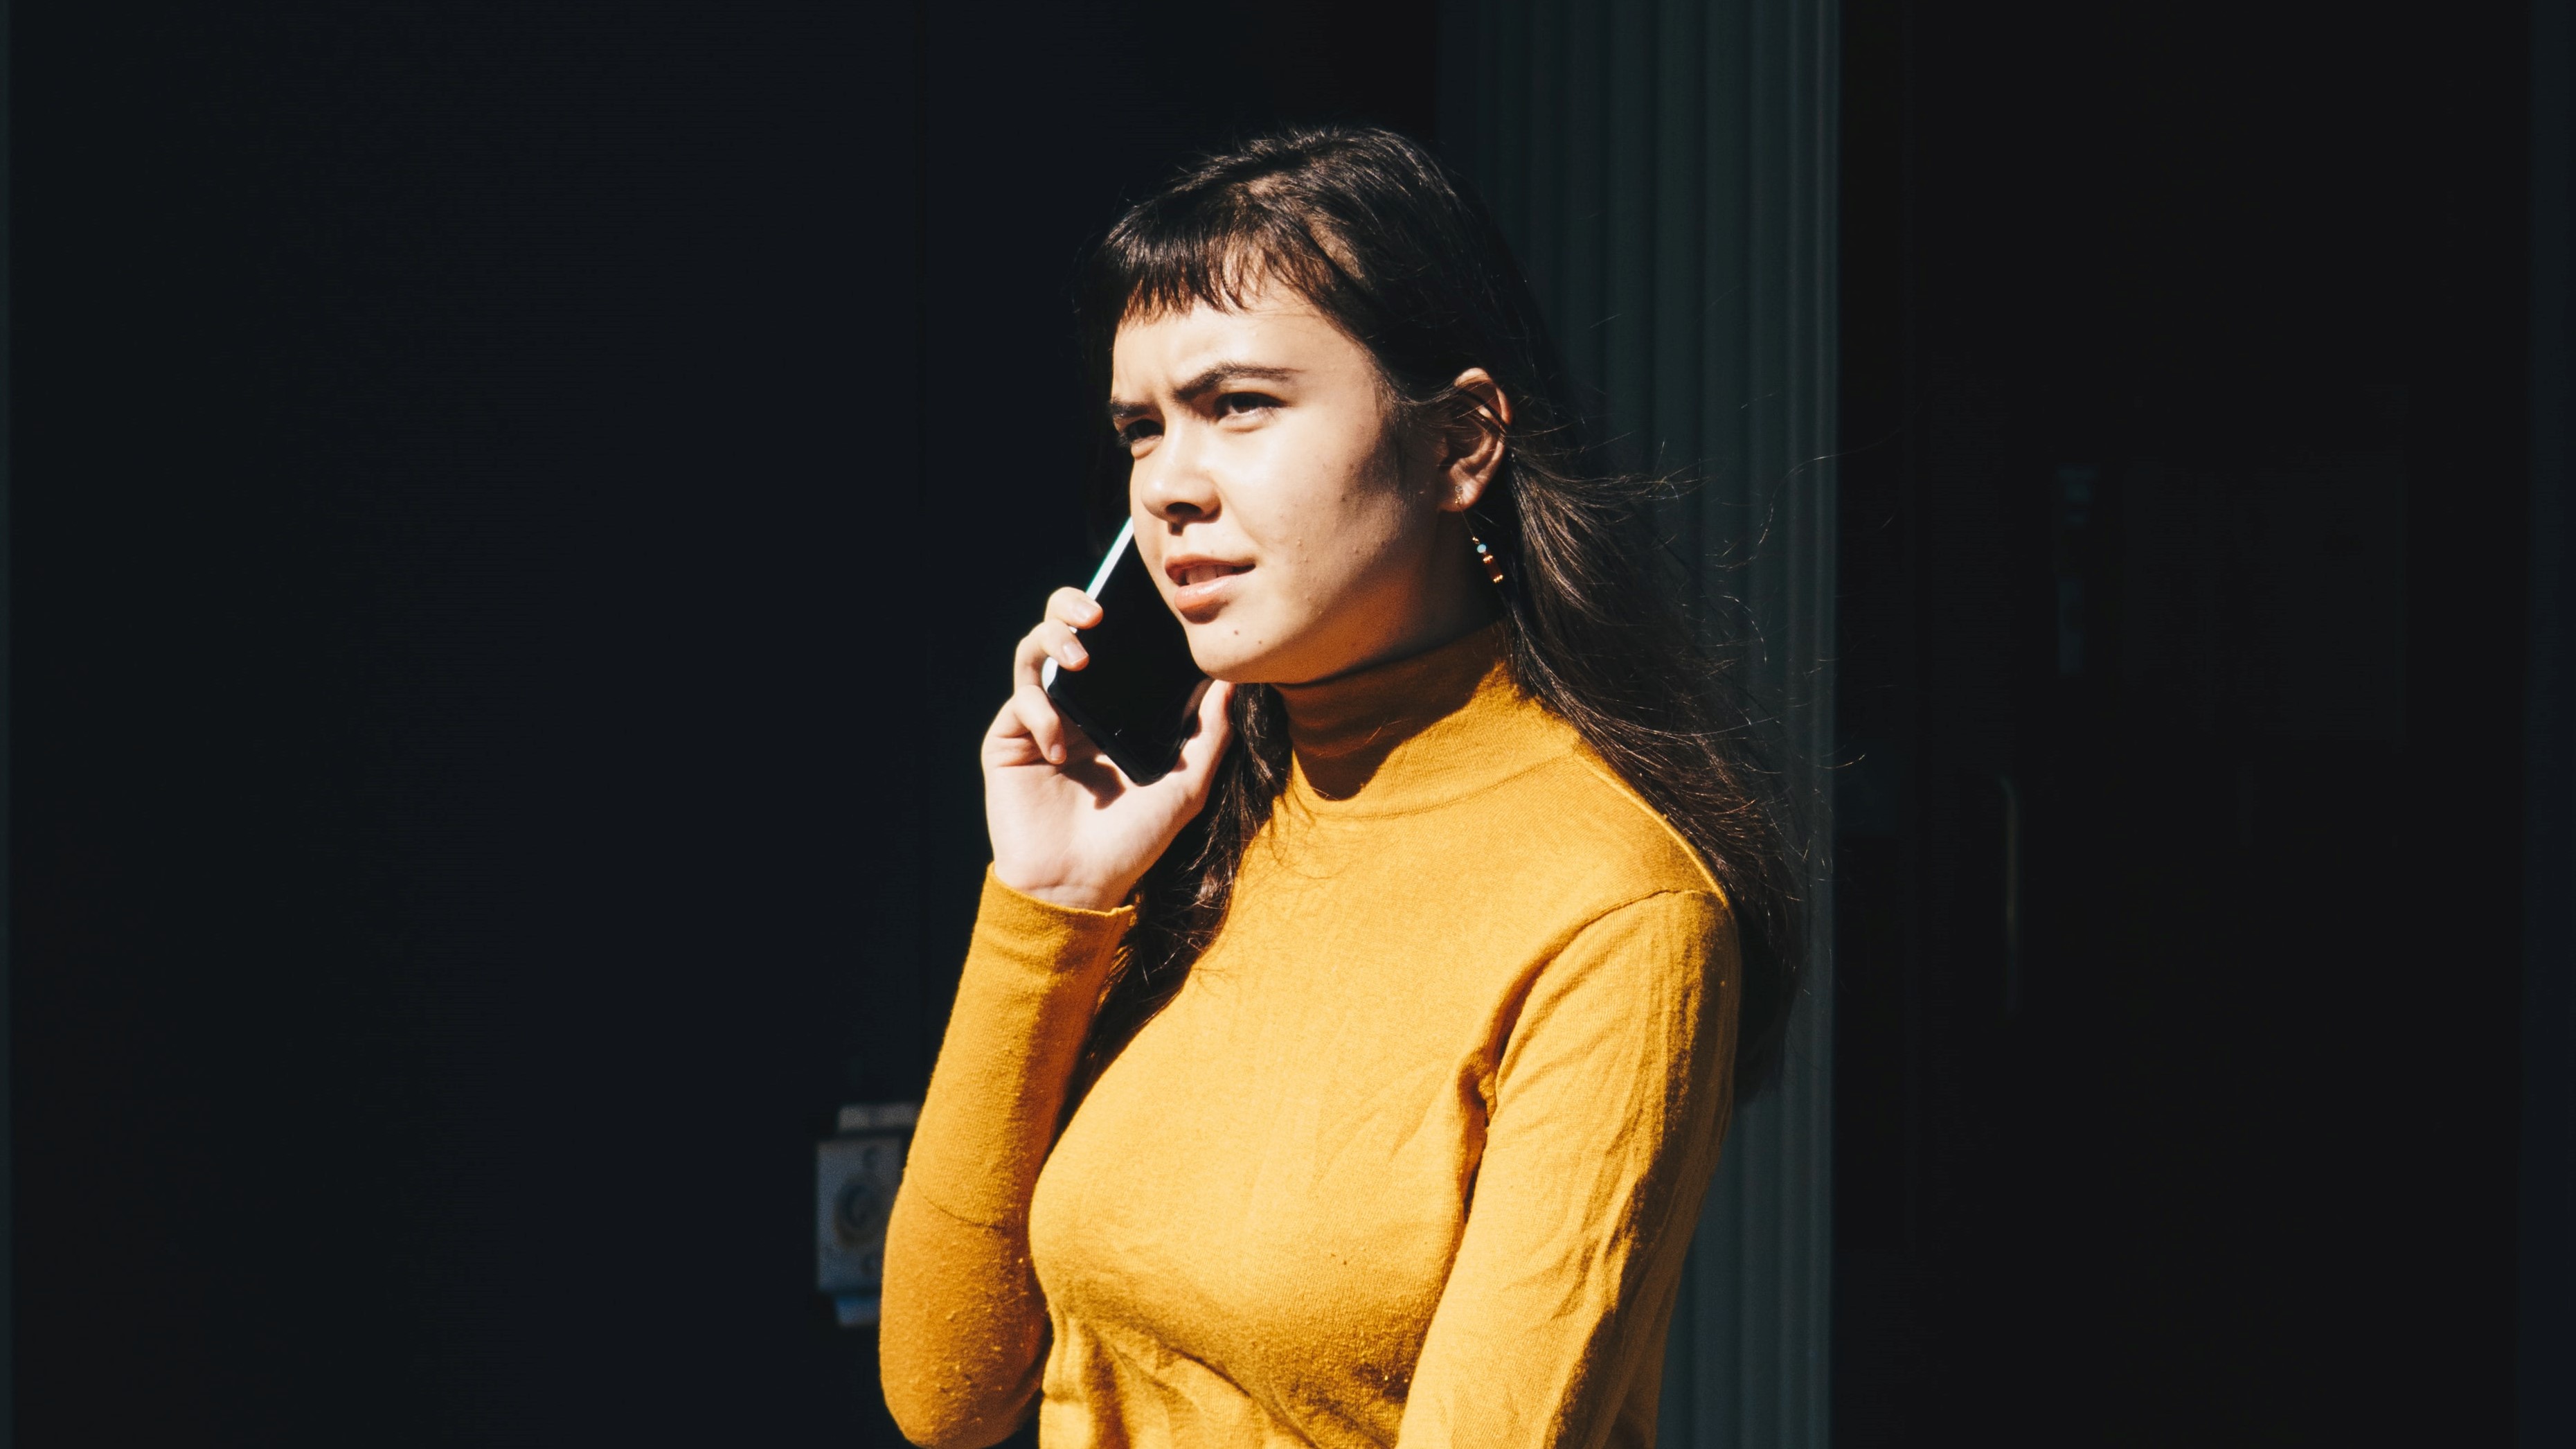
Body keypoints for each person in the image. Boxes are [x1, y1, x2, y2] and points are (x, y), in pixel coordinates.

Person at [879, 127, 1803, 1449]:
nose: (1169, 490)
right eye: (1142, 429)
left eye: (1240, 404)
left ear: (1462, 442)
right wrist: (1048, 901)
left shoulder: (1619, 909)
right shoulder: (1204, 832)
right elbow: (943, 1390)